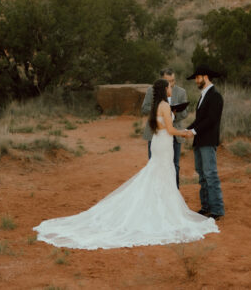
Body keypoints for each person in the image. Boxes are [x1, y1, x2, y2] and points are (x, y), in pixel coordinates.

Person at [33, 79, 218, 249]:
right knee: (162, 173)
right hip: (164, 144)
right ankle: (161, 213)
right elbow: (169, 129)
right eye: (169, 86)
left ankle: (159, 208)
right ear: (164, 89)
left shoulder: (158, 105)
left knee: (159, 174)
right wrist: (185, 132)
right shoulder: (164, 105)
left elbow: (162, 126)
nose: (171, 88)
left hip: (159, 143)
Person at [186, 64, 225, 220]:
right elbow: (199, 120)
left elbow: (211, 119)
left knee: (210, 174)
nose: (196, 80)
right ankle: (206, 207)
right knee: (202, 175)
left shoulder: (215, 96)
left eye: (197, 77)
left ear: (205, 77)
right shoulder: (203, 96)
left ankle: (217, 210)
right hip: (200, 141)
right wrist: (187, 130)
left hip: (208, 141)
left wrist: (193, 131)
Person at [141, 67, 188, 187]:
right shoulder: (151, 91)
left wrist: (172, 115)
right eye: (169, 81)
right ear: (162, 81)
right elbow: (144, 108)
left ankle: (174, 192)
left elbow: (185, 113)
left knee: (174, 165)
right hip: (157, 134)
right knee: (154, 165)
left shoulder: (181, 92)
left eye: (173, 81)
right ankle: (154, 193)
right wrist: (161, 112)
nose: (171, 84)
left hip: (173, 136)